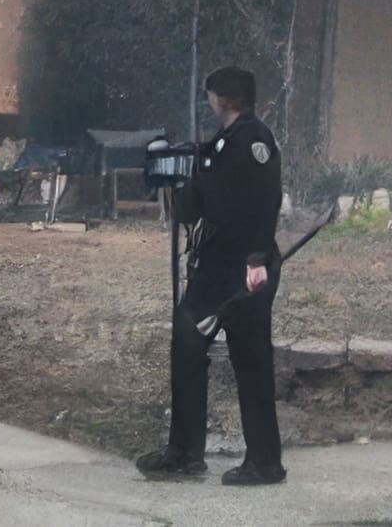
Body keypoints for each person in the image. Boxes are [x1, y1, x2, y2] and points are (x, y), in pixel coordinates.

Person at [136, 65, 286, 487]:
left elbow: (260, 205)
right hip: (224, 266)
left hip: (239, 269)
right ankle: (192, 452)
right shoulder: (228, 142)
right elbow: (198, 204)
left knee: (243, 358)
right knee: (197, 345)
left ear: (222, 99)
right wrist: (177, 176)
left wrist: (256, 261)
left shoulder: (249, 144)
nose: (209, 103)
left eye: (211, 97)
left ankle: (256, 461)